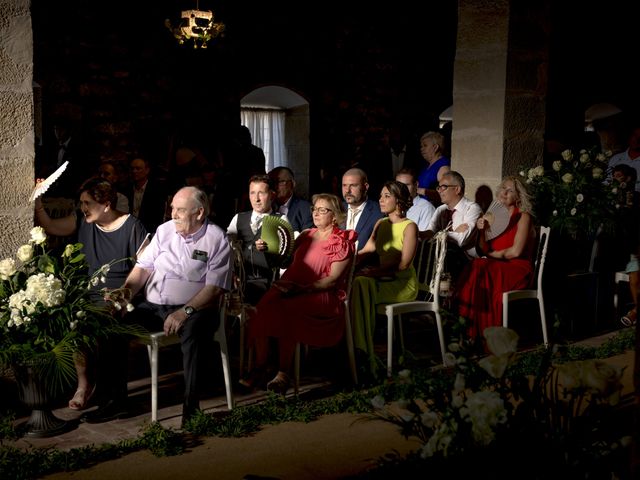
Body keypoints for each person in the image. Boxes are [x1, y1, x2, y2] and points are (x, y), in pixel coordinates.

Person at [95, 186, 232, 425]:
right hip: (154, 307)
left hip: (196, 309)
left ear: (199, 213)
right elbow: (143, 268)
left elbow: (215, 287)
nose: (173, 215)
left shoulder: (216, 238)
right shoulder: (164, 230)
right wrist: (125, 294)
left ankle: (192, 410)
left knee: (194, 333)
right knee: (113, 326)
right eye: (172, 209)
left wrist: (184, 311)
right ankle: (116, 402)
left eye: (180, 210)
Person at [34, 176, 148, 411]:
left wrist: (123, 294)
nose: (82, 208)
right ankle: (83, 386)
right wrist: (38, 201)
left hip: (121, 297)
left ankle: (108, 395)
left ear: (106, 204)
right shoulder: (84, 222)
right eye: (81, 203)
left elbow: (147, 265)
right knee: (71, 320)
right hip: (87, 296)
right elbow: (51, 226)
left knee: (102, 327)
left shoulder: (132, 226)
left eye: (87, 203)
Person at [240, 193, 357, 394]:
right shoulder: (306, 235)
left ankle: (283, 372)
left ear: (335, 215)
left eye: (323, 210)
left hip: (320, 294)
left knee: (287, 311)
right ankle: (261, 366)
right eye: (315, 209)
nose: (316, 213)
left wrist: (303, 289)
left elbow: (332, 280)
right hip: (292, 287)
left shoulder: (341, 241)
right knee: (263, 307)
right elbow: (284, 260)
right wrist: (269, 247)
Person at [455, 176, 536, 344]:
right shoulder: (493, 216)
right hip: (496, 266)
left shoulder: (523, 217)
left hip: (517, 268)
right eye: (503, 188)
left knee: (479, 266)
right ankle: (470, 332)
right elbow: (484, 249)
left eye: (510, 190)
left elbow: (515, 252)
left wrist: (491, 257)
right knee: (477, 267)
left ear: (519, 196)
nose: (504, 193)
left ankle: (478, 334)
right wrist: (482, 232)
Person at [350, 180, 418, 376]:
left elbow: (403, 264)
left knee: (362, 283)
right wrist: (346, 262)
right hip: (380, 280)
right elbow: (366, 250)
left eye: (386, 196)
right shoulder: (381, 223)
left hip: (401, 283)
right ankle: (361, 350)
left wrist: (374, 272)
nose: (380, 200)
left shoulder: (409, 227)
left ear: (399, 201)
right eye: (380, 195)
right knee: (358, 282)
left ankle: (362, 351)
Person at [227, 174, 290, 305]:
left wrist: (271, 248)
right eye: (252, 193)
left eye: (261, 193)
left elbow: (287, 259)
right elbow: (227, 250)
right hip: (240, 284)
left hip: (269, 284)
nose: (256, 199)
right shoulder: (238, 218)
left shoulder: (281, 220)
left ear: (272, 195)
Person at [423, 171, 483, 282]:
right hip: (441, 259)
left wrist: (442, 234)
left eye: (443, 187)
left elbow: (461, 240)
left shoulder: (472, 208)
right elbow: (429, 235)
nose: (439, 191)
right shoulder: (440, 210)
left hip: (466, 261)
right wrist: (449, 233)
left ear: (457, 189)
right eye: (438, 187)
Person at [612, 164, 640, 326]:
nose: (616, 181)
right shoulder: (609, 200)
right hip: (624, 250)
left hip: (635, 247)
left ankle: (635, 312)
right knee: (635, 274)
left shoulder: (637, 199)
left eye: (619, 177)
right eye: (614, 177)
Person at [341, 168, 384, 249]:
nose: (347, 190)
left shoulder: (379, 213)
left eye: (353, 185)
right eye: (344, 185)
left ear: (366, 187)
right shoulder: (336, 209)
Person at [126, 157, 168, 234]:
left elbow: (158, 217)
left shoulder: (157, 190)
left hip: (148, 232)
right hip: (128, 231)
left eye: (138, 169)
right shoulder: (126, 189)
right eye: (132, 168)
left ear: (147, 170)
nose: (134, 171)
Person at [268, 166, 313, 233]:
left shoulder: (305, 208)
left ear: (292, 184)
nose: (275, 186)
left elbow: (308, 238)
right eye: (273, 182)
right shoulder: (267, 205)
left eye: (280, 181)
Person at [416, 131, 451, 205]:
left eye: (425, 146)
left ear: (435, 147)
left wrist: (420, 190)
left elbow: (446, 194)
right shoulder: (426, 166)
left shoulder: (443, 166)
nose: (421, 149)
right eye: (421, 146)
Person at [395, 167, 435, 231]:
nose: (402, 189)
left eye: (406, 185)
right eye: (398, 186)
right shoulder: (392, 206)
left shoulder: (426, 208)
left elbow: (424, 239)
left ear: (416, 185)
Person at [607, 125, 640, 192]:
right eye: (635, 135)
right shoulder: (615, 159)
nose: (637, 139)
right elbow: (606, 182)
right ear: (630, 137)